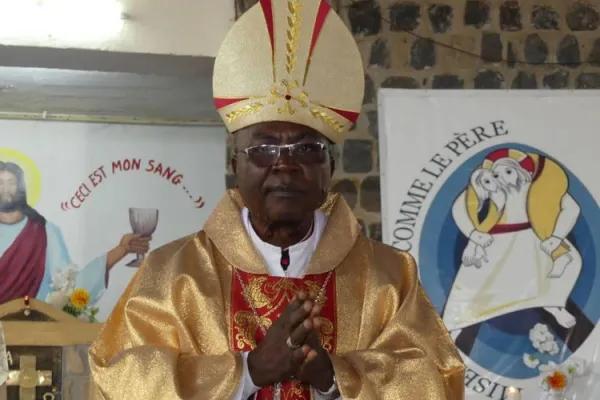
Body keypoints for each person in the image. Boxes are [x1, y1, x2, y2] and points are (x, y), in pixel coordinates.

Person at [88, 0, 465, 399]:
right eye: (265, 149)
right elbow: (118, 381)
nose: (284, 167)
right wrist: (250, 371)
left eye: (306, 149)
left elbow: (437, 380)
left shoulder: (388, 277)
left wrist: (332, 376)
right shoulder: (174, 274)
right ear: (236, 164)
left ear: (329, 166)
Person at [0, 161, 150, 305]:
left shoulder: (44, 232)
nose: (5, 189)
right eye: (0, 182)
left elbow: (69, 287)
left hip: (27, 327)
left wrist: (121, 250)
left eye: (11, 183)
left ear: (21, 188)